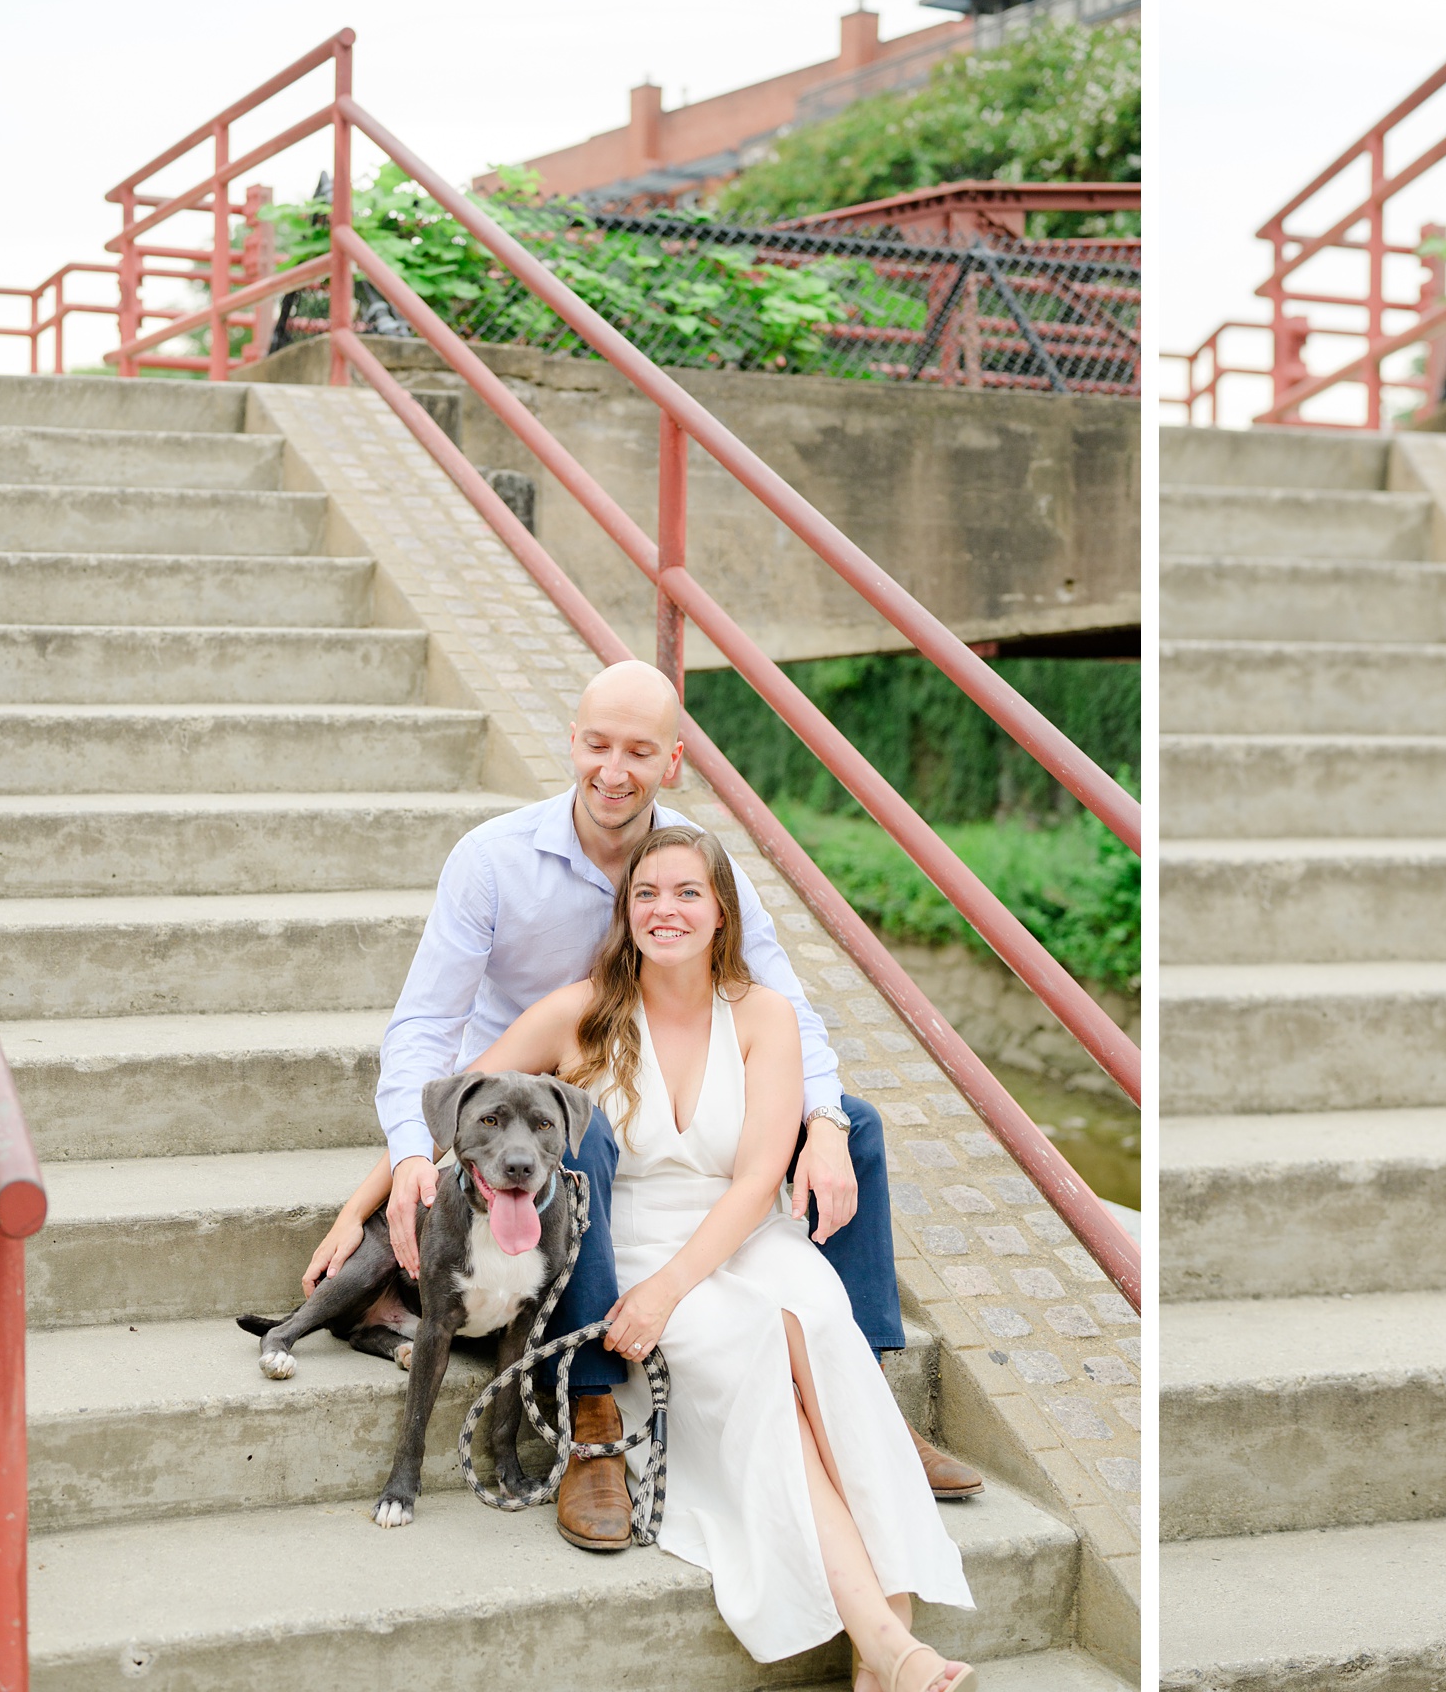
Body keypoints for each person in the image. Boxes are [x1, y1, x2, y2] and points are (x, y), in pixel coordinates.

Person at [301, 661, 981, 1554]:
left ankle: (866, 1397)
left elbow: (782, 998)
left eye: (639, 750)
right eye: (597, 744)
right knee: (584, 1135)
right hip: (528, 1095)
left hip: (673, 1056)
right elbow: (431, 1034)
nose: (613, 769)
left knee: (858, 1125)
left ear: (674, 761)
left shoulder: (691, 861)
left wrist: (824, 1124)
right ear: (573, 744)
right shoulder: (494, 859)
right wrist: (386, 1180)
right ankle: (590, 1416)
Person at [471, 823, 973, 1686]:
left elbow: (755, 1183)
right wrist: (381, 1195)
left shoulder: (764, 1015)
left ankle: (884, 1654)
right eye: (646, 894)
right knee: (756, 1354)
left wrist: (670, 1290)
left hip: (746, 1234)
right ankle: (892, 1650)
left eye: (687, 893)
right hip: (635, 1245)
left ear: (722, 912)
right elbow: (463, 1108)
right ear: (626, 914)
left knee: (812, 1323)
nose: (665, 910)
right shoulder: (577, 1014)